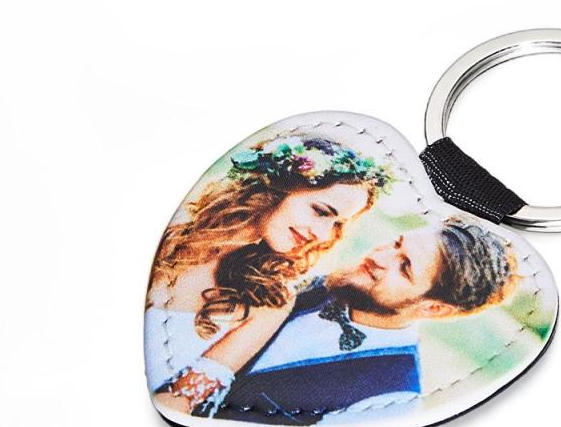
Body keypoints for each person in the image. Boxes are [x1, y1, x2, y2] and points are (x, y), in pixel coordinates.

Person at [175, 218, 518, 424]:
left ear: (434, 309)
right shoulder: (299, 279)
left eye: (404, 267)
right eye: (396, 243)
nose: (379, 257)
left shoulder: (390, 400)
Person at [144, 135, 393, 412]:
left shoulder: (271, 299)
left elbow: (181, 400)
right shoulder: (170, 228)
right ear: (278, 186)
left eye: (336, 223)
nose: (323, 235)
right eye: (320, 211)